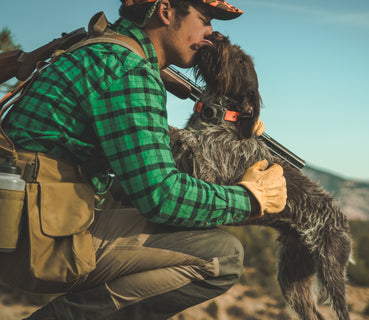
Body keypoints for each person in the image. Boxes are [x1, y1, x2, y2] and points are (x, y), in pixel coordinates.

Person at [0, 0, 287, 319]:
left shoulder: (101, 50)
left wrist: (227, 123)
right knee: (223, 256)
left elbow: (142, 151)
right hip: (36, 238)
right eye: (204, 19)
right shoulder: (131, 70)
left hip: (24, 214)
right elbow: (161, 196)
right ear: (166, 12)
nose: (210, 32)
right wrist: (250, 197)